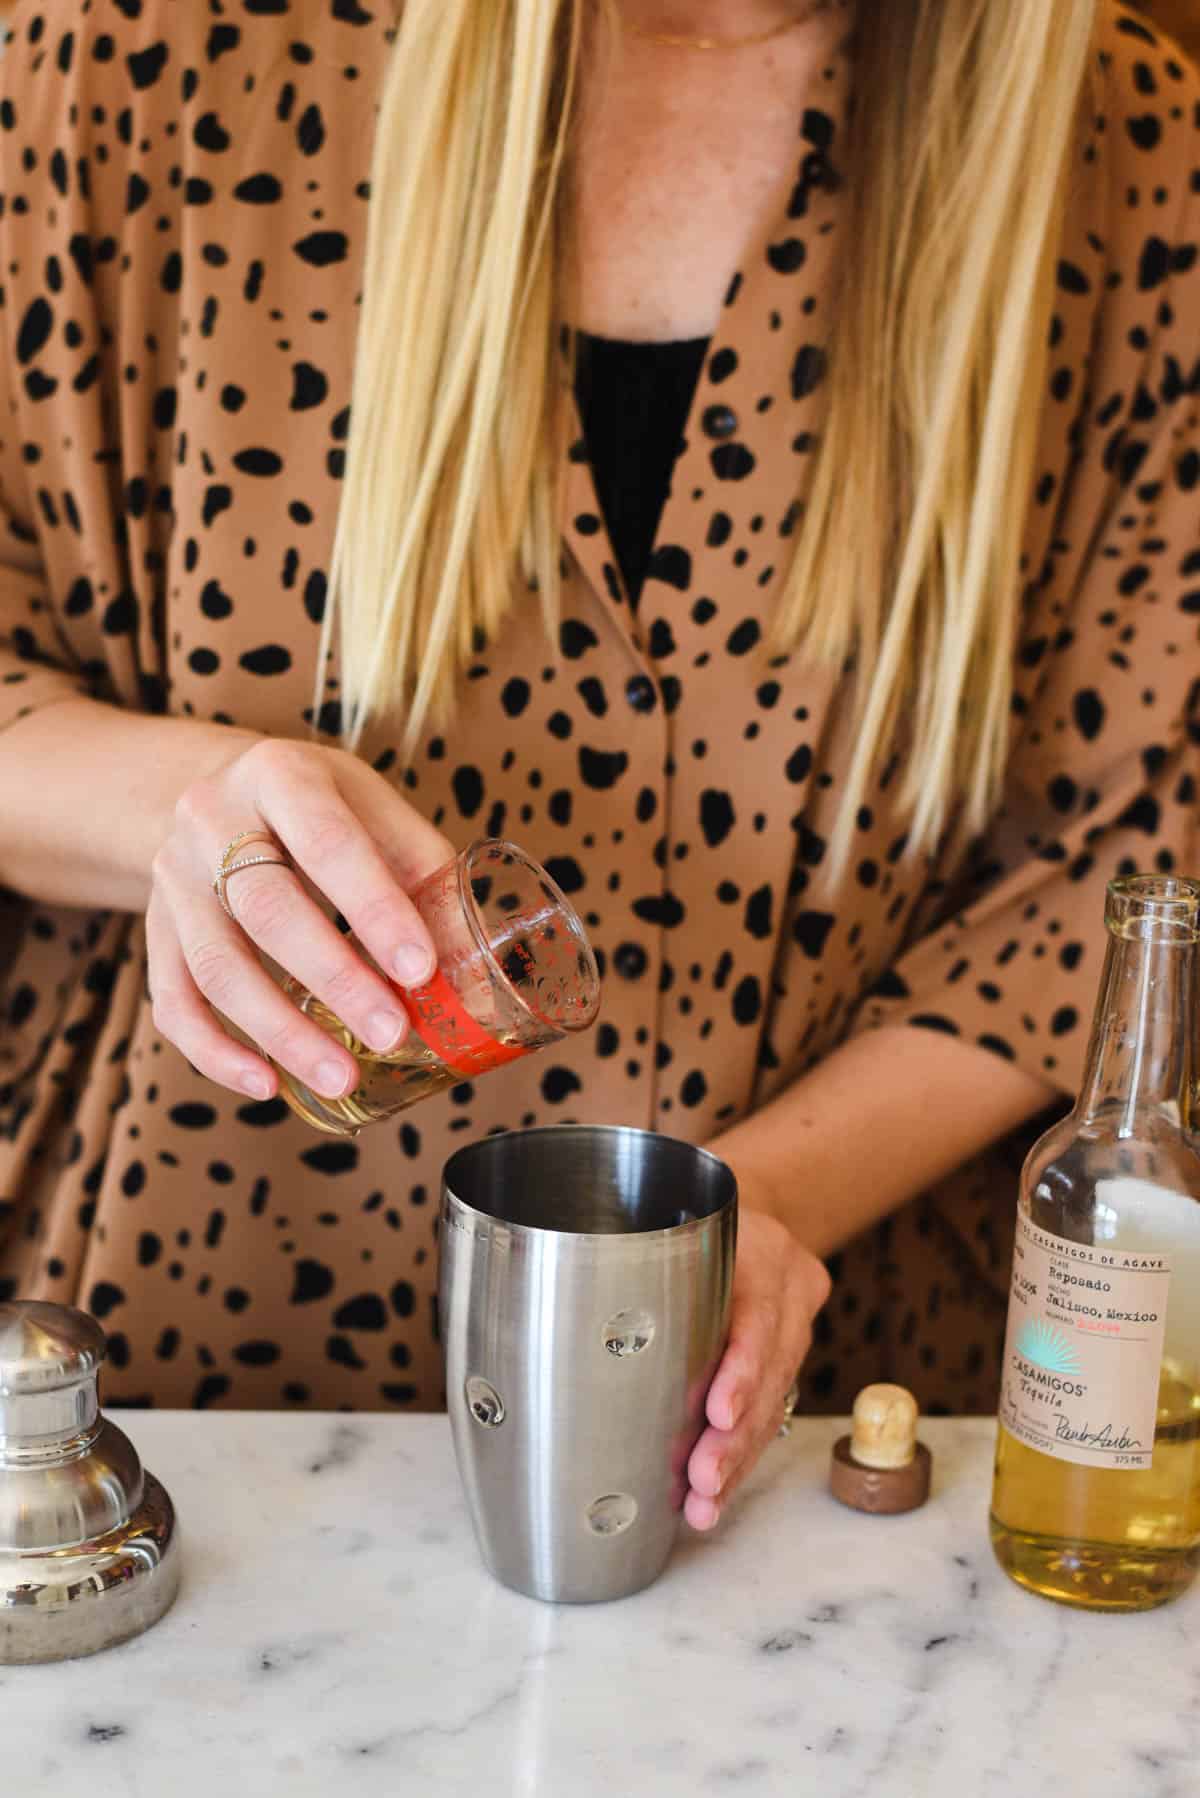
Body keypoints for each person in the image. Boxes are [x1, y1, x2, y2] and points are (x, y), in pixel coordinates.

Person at [0, 0, 1196, 1533]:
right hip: (195, 1401)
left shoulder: (1129, 154)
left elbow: (1115, 864)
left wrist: (757, 1205)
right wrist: (186, 803)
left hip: (793, 1447)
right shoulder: (140, 53)